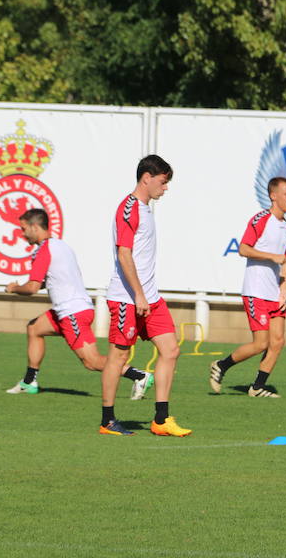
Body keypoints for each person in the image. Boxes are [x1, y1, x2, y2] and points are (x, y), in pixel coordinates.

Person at [3, 209, 152, 405]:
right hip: (71, 309)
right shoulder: (61, 246)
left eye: (23, 229)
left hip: (71, 312)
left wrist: (14, 288)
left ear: (34, 226)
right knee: (34, 328)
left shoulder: (43, 250)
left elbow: (32, 287)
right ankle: (29, 382)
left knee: (91, 362)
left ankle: (138, 375)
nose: (22, 234)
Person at [101, 155, 191, 436]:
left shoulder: (147, 209)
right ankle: (108, 421)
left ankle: (161, 420)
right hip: (127, 298)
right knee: (118, 357)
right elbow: (124, 253)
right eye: (163, 183)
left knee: (171, 350)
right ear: (147, 178)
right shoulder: (129, 209)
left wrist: (146, 295)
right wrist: (138, 295)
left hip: (150, 297)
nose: (165, 189)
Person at [209, 177, 286, 398]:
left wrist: (284, 288)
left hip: (274, 293)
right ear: (273, 196)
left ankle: (257, 387)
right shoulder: (261, 220)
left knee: (278, 342)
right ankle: (222, 365)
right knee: (261, 343)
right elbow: (244, 249)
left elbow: (284, 260)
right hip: (256, 290)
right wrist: (271, 256)